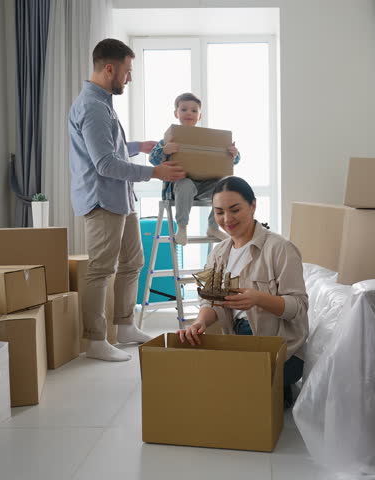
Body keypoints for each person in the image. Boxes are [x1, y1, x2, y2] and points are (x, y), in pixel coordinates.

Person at [69, 38, 185, 362]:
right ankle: (95, 340)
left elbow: (110, 148)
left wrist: (138, 146)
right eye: (127, 71)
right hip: (103, 199)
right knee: (101, 269)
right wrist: (155, 172)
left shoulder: (103, 103)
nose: (129, 78)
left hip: (121, 197)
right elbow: (105, 164)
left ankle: (124, 326)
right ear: (110, 69)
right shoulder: (92, 107)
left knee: (133, 262)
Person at [177, 176, 308, 407]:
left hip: (280, 348)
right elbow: (210, 302)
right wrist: (200, 322)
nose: (227, 219)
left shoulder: (280, 248)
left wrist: (259, 299)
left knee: (231, 392)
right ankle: (266, 388)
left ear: (253, 205)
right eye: (219, 212)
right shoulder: (218, 253)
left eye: (235, 210)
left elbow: (298, 307)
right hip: (237, 339)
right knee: (195, 377)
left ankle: (274, 386)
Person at [148, 92, 240, 245]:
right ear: (176, 113)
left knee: (227, 184)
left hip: (205, 186)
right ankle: (182, 228)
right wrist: (164, 150)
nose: (189, 113)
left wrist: (234, 154)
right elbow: (152, 158)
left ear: (199, 116)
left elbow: (232, 161)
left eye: (194, 110)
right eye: (184, 109)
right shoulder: (167, 139)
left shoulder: (209, 139)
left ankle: (213, 226)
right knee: (185, 184)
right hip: (179, 188)